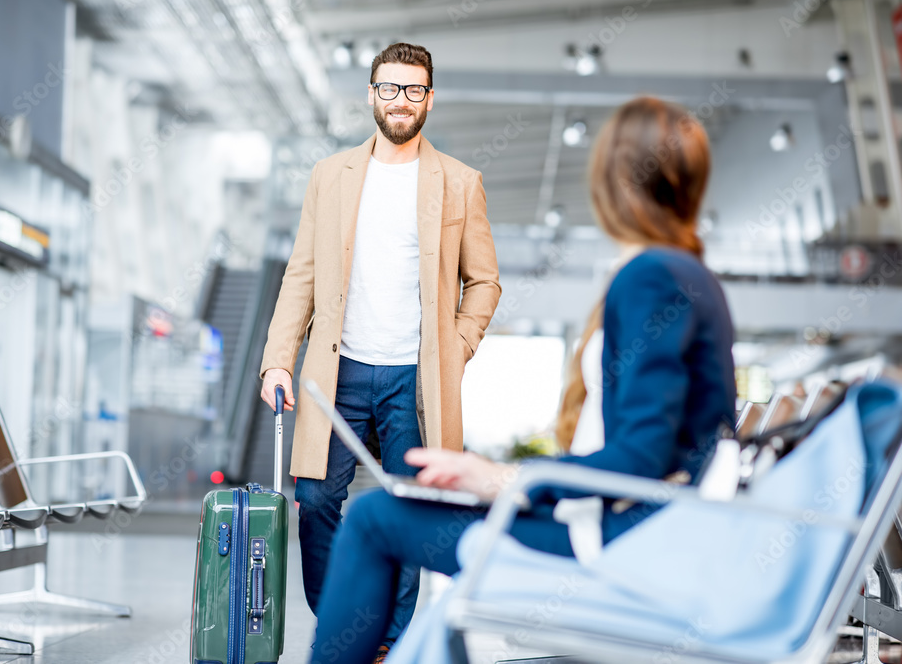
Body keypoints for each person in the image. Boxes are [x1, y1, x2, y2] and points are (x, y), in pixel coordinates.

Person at [307, 96, 738, 664]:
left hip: (615, 542)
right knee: (392, 512)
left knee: (372, 517)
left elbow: (641, 456)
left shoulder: (651, 276)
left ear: (612, 180)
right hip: (648, 531)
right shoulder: (691, 274)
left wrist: (503, 479)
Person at [258, 42, 502, 661]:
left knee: (410, 505)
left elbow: (485, 282)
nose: (400, 101)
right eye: (389, 89)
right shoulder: (331, 176)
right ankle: (342, 619)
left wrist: (459, 346)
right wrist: (278, 358)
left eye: (413, 90)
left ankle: (388, 642)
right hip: (337, 369)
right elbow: (302, 275)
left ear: (428, 98)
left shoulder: (459, 182)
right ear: (371, 94)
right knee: (313, 500)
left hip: (413, 380)